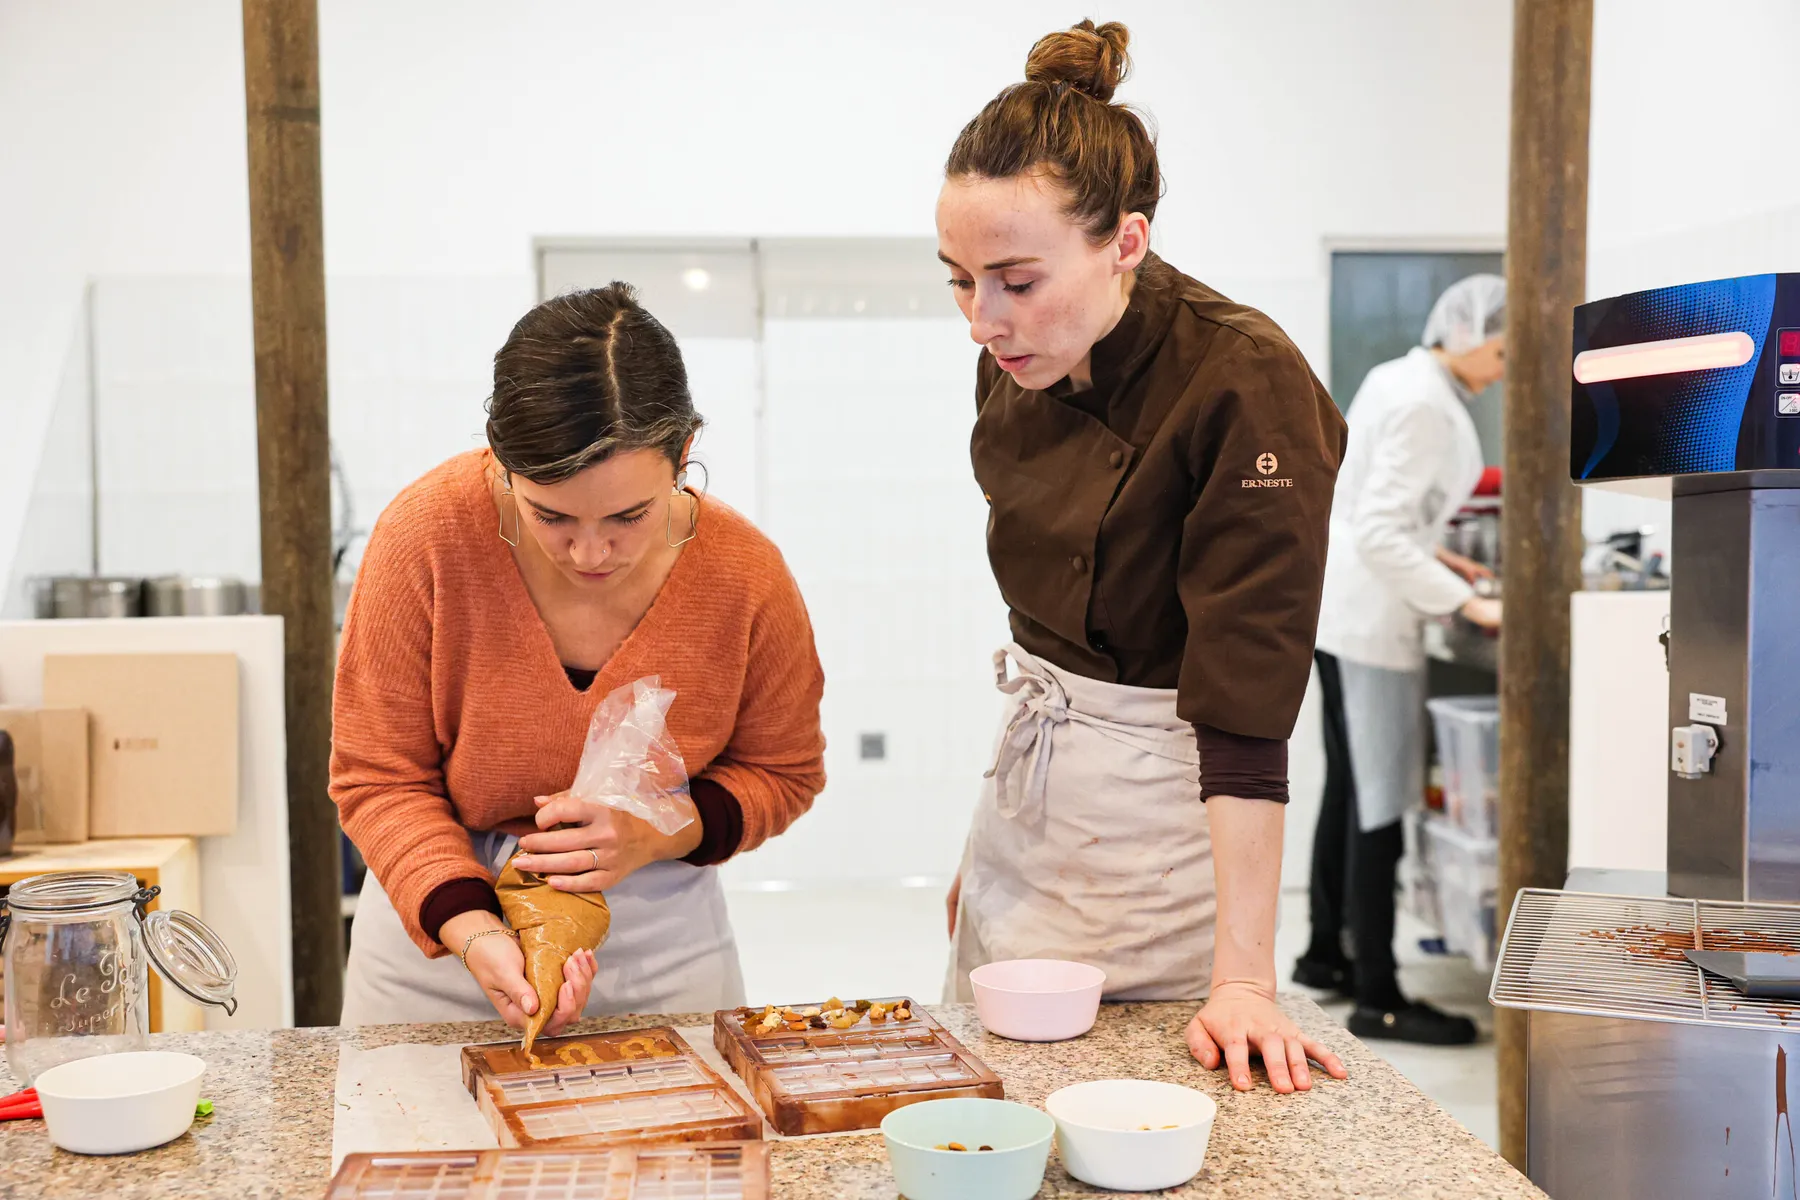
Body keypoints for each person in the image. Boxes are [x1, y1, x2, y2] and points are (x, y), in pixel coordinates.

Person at [936, 19, 1350, 1095]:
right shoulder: (1020, 355)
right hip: (1038, 787)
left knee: (1138, 1106)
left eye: (1017, 280)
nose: (986, 320)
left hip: (1174, 811)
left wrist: (1247, 978)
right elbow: (1045, 644)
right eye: (961, 281)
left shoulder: (1242, 382)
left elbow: (1246, 698)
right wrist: (989, 852)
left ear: (1126, 240)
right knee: (998, 1105)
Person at [332, 283, 826, 1031]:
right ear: (501, 461)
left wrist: (667, 829)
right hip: (444, 930)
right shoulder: (426, 538)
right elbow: (377, 776)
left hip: (659, 937)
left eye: (630, 515)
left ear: (684, 454)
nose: (590, 553)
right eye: (549, 516)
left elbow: (784, 771)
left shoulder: (745, 574)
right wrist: (474, 929)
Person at [1298, 274, 1507, 1045]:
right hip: (1369, 618)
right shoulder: (1426, 400)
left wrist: (1444, 559)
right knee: (1379, 801)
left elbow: (1371, 511)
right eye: (1504, 350)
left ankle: (1328, 956)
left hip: (1341, 609)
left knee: (1351, 789)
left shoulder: (1400, 376)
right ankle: (1379, 997)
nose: (1504, 367)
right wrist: (1467, 604)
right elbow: (1384, 530)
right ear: (1473, 334)